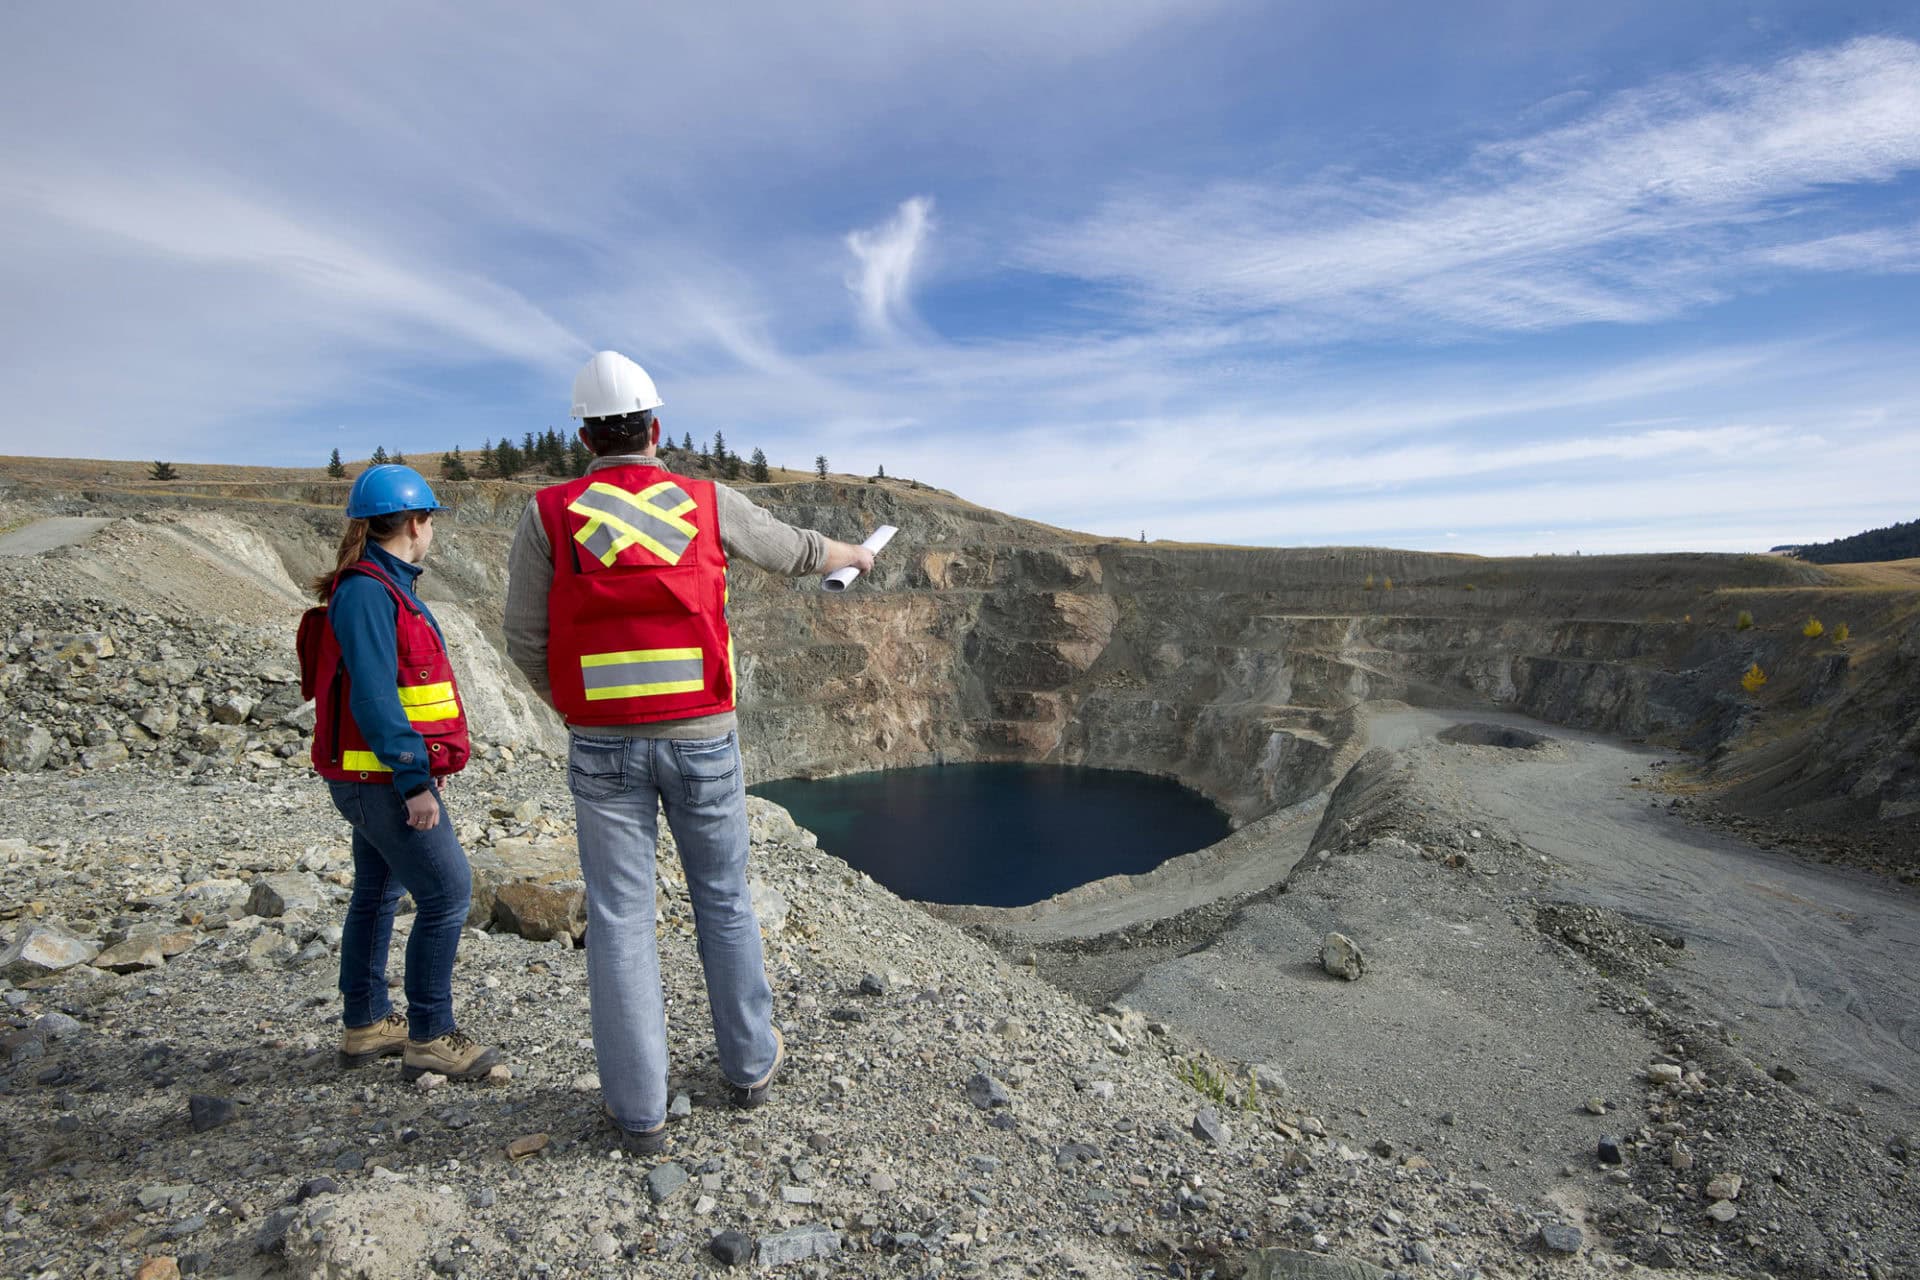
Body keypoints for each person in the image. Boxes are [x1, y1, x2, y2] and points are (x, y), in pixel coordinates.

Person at [504, 351, 874, 1153]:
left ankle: (639, 1113)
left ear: (585, 436)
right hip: (703, 738)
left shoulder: (549, 515)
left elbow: (524, 638)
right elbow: (794, 551)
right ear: (655, 427)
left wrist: (575, 707)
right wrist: (855, 555)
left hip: (602, 747)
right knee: (725, 900)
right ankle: (748, 1069)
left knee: (620, 919)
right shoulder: (704, 501)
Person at [306, 464, 498, 1082]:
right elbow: (374, 695)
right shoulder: (369, 590)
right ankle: (431, 1034)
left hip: (371, 778)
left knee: (379, 892)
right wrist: (414, 778)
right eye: (430, 519)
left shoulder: (383, 585)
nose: (432, 530)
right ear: (416, 523)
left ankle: (364, 1023)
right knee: (447, 893)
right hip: (382, 782)